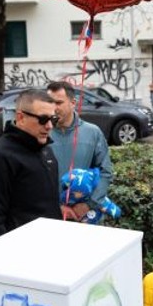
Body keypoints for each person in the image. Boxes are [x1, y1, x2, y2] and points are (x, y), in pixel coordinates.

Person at [0, 88, 64, 241]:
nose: (49, 126)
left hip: (52, 244)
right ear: (21, 117)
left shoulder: (45, 149)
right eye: (43, 119)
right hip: (19, 251)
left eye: (53, 119)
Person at [48, 81, 114, 221]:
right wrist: (56, 207)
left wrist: (88, 204)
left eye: (58, 103)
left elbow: (105, 172)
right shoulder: (42, 134)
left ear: (73, 103)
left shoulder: (93, 132)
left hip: (84, 217)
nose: (53, 108)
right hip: (50, 216)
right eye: (50, 103)